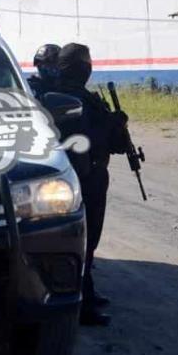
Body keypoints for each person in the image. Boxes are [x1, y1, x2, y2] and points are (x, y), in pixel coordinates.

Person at [55, 43, 130, 327]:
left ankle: (87, 290)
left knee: (85, 243)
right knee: (85, 241)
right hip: (85, 178)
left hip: (78, 177)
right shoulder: (72, 99)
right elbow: (92, 139)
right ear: (83, 69)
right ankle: (81, 304)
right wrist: (113, 124)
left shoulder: (59, 95)